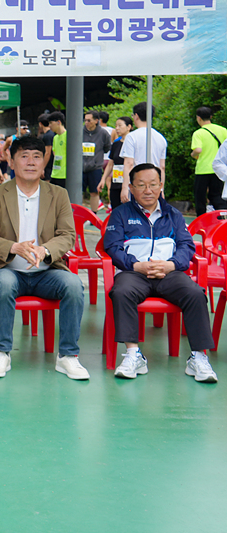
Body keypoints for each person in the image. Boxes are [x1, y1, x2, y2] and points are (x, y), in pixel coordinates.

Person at [0, 136, 88, 380]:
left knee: (73, 285)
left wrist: (44, 250)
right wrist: (14, 247)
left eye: (36, 157)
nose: (30, 162)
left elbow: (68, 235)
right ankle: (2, 353)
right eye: (24, 156)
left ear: (43, 163)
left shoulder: (58, 194)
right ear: (12, 161)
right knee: (4, 284)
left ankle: (68, 356)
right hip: (9, 269)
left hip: (47, 272)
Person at [104, 163, 218, 383]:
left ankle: (199, 357)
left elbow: (187, 246)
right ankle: (133, 354)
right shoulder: (120, 214)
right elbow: (112, 247)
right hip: (133, 272)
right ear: (131, 187)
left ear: (161, 186)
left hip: (169, 273)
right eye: (141, 185)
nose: (148, 190)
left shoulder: (173, 215)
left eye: (153, 184)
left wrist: (172, 265)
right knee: (121, 292)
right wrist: (136, 265)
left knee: (195, 293)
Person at [120, 102, 168, 205]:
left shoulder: (131, 137)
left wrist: (125, 187)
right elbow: (162, 166)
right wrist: (161, 189)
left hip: (138, 183)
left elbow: (129, 163)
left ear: (136, 116)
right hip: (154, 184)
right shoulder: (161, 138)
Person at [191, 106, 227, 215]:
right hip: (220, 170)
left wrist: (193, 154)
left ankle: (201, 221)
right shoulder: (223, 130)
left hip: (203, 169)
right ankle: (223, 216)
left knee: (200, 197)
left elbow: (198, 149)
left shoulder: (198, 133)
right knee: (216, 196)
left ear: (198, 118)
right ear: (211, 117)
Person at [100, 116, 133, 210]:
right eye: (116, 126)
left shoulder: (133, 143)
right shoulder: (116, 144)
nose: (117, 128)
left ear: (129, 127)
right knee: (115, 209)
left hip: (129, 183)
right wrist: (103, 179)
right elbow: (111, 163)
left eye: (120, 125)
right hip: (116, 181)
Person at [82, 110, 112, 213]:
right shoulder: (80, 131)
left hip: (95, 167)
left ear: (96, 121)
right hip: (80, 167)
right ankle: (77, 214)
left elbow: (107, 147)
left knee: (94, 192)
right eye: (85, 120)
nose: (86, 123)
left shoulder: (103, 133)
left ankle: (93, 215)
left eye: (89, 120)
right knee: (78, 192)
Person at [47, 112, 68, 188]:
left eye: (51, 123)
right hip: (55, 173)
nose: (49, 126)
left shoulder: (68, 136)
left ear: (58, 122)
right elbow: (55, 153)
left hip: (65, 174)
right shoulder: (55, 137)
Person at [39, 114, 54, 181]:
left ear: (40, 124)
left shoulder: (47, 136)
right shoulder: (53, 133)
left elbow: (48, 153)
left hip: (48, 166)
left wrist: (42, 168)